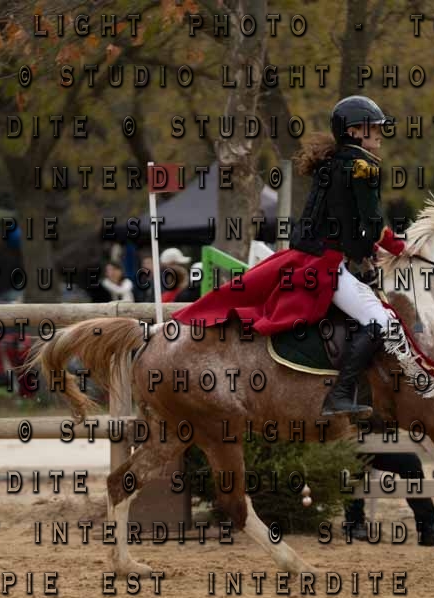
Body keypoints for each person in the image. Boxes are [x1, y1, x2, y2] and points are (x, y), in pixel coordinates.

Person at [173, 95, 407, 418]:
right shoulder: (362, 168)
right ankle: (340, 394)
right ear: (354, 131)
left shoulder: (331, 163)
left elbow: (347, 225)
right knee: (381, 322)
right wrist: (403, 248)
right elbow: (373, 226)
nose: (380, 132)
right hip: (324, 264)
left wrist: (366, 253)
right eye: (374, 127)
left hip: (302, 256)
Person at [344, 454, 434, 547]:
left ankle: (429, 528)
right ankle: (354, 523)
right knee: (353, 458)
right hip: (353, 449)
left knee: (410, 461)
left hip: (380, 448)